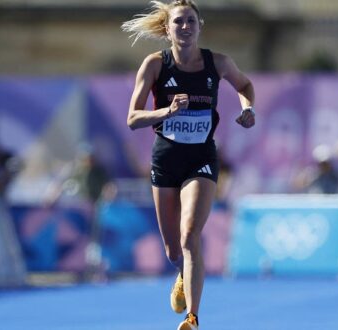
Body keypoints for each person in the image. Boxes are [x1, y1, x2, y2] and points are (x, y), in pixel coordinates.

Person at [122, 1, 255, 328]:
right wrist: (166, 112)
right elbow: (132, 119)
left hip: (202, 158)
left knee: (190, 235)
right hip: (166, 159)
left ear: (200, 25)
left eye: (190, 21)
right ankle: (182, 273)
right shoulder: (154, 65)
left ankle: (192, 318)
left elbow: (245, 85)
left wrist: (249, 108)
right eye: (178, 21)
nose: (185, 27)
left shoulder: (219, 63)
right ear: (167, 29)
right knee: (172, 250)